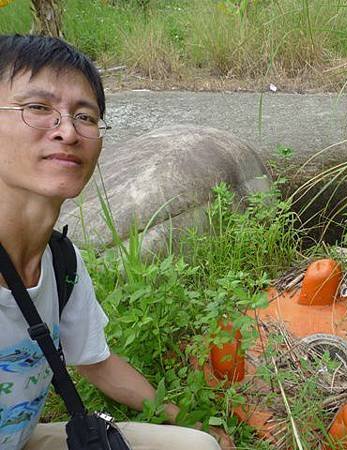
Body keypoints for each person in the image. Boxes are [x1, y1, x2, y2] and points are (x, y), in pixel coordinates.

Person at [0, 34, 233, 450]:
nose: (67, 131)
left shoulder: (61, 262)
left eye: (85, 116)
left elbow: (96, 361)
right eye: (38, 108)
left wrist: (195, 422)